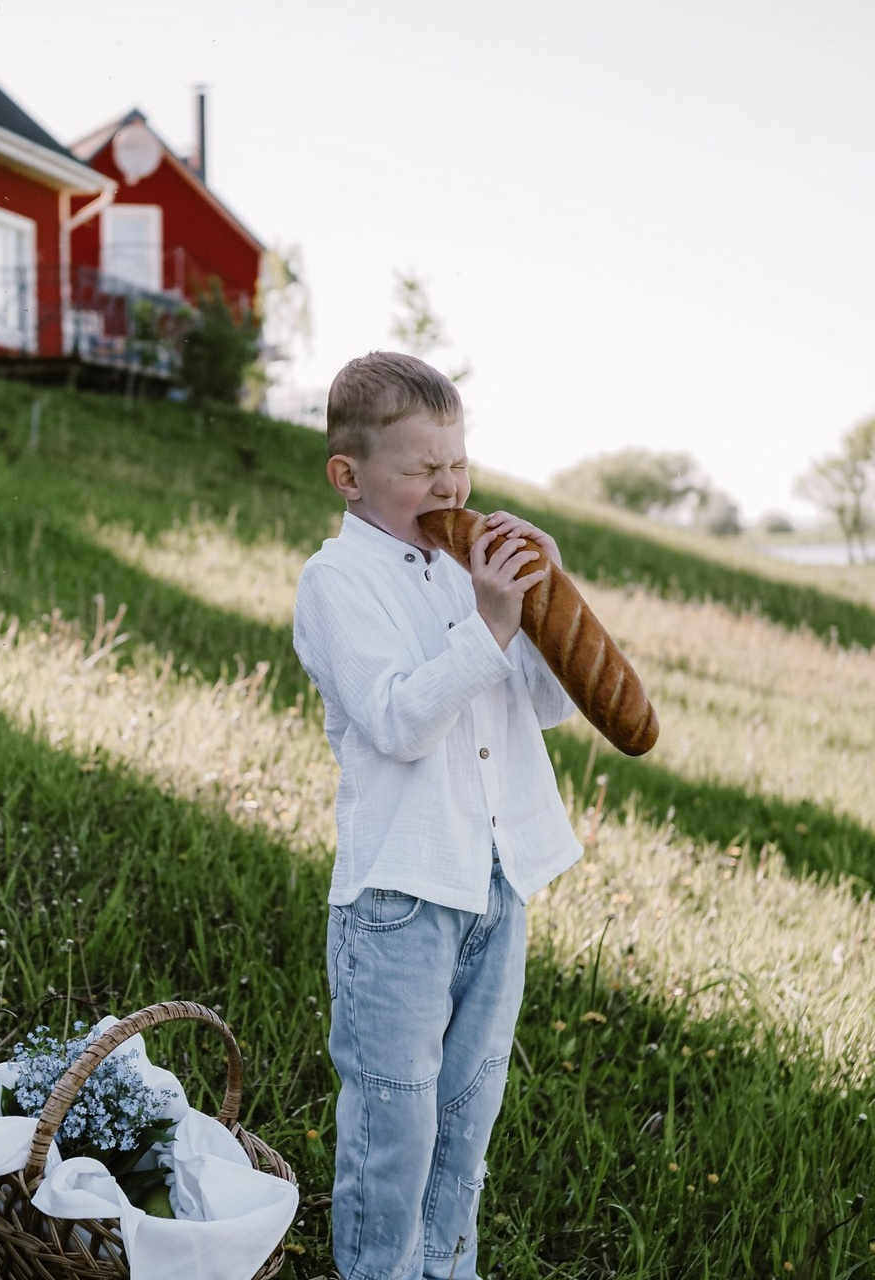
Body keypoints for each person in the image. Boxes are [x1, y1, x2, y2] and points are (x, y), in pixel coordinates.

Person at [292, 351, 583, 1280]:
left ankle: (446, 1268)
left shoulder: (470, 571)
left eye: (458, 463)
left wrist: (542, 602)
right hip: (400, 896)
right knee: (396, 1118)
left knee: (467, 1115)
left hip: (497, 882)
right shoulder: (337, 583)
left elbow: (542, 707)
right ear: (351, 476)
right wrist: (489, 625)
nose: (450, 485)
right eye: (422, 469)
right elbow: (401, 721)